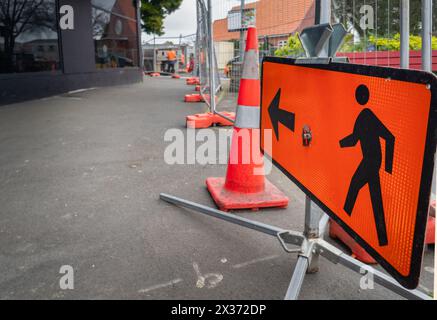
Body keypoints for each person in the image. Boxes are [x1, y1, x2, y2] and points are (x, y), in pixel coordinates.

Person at [340, 84, 395, 247]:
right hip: (371, 161)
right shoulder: (362, 117)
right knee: (375, 198)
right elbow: (354, 140)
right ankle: (383, 238)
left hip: (372, 161)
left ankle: (344, 218)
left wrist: (388, 168)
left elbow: (390, 137)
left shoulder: (368, 115)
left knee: (355, 185)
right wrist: (336, 143)